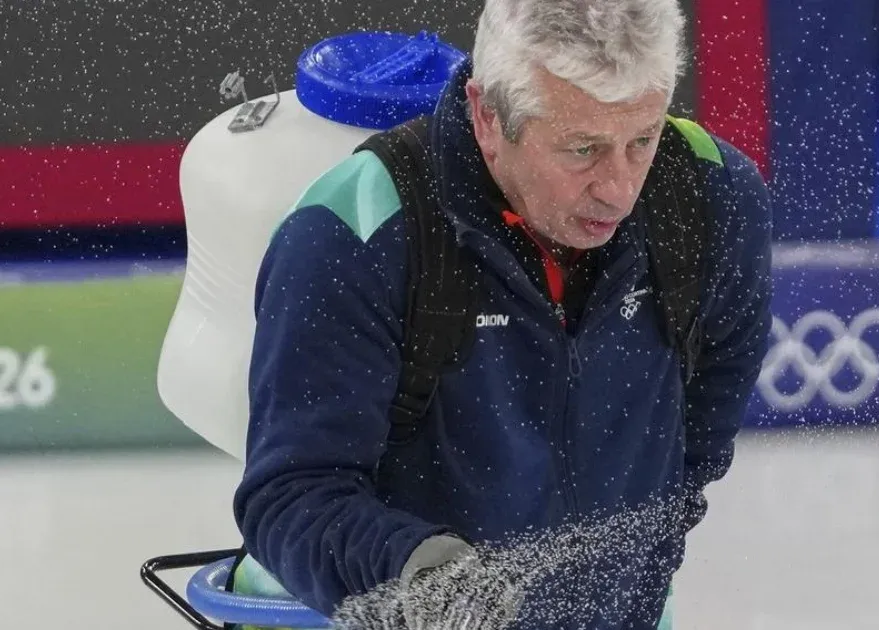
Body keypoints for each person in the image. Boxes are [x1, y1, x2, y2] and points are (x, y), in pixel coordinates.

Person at [231, 0, 773, 628]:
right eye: (582, 149)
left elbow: (703, 426)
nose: (619, 187)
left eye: (642, 139)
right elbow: (291, 496)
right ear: (489, 118)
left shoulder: (713, 198)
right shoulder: (353, 234)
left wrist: (636, 560)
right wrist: (423, 575)